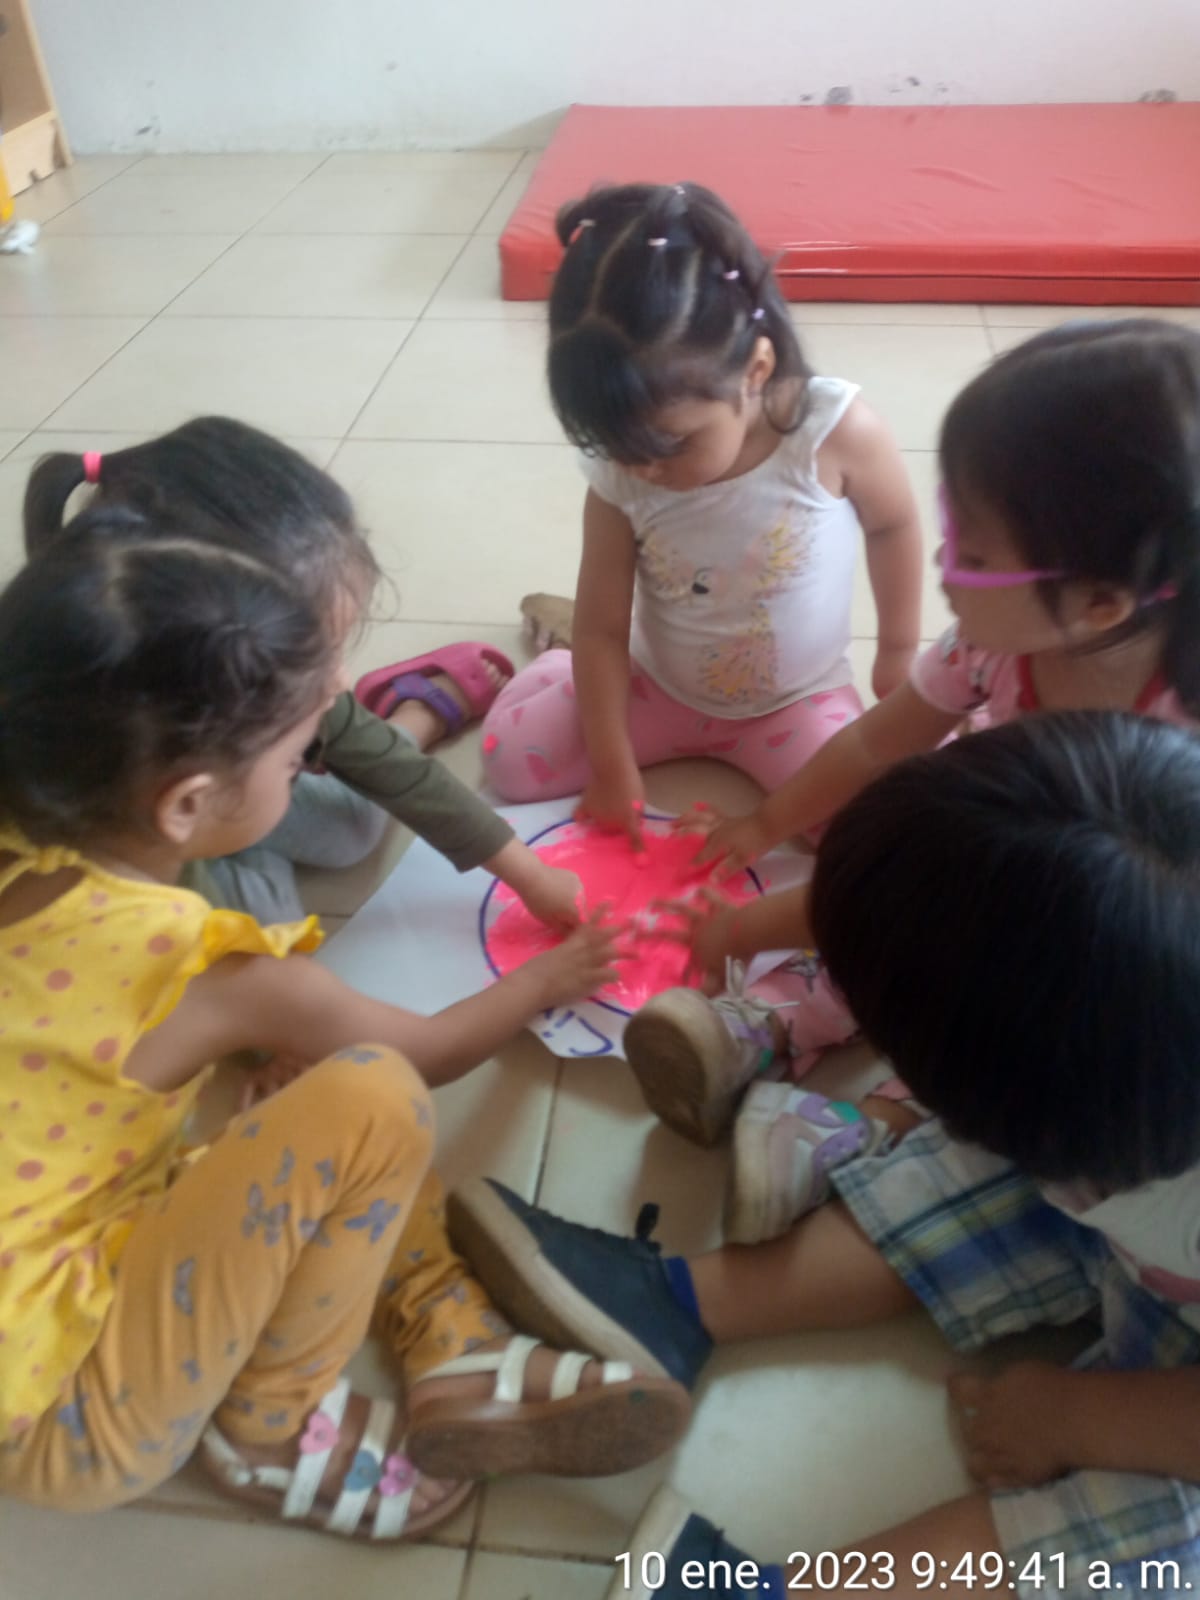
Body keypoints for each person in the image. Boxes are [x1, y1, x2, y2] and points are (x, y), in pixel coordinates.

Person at [0, 516, 689, 1539]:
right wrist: (552, 976)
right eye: (295, 760)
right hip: (72, 1416)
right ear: (188, 804)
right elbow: (427, 1055)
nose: (305, 771)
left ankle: (448, 1341)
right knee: (372, 1097)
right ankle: (270, 1426)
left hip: (36, 1291)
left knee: (292, 1106)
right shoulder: (211, 968)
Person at [449, 712, 1200, 1599]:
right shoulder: (1122, 1044)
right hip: (1138, 1203)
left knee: (1145, 1549)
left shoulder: (1108, 1065)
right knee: (978, 1177)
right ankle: (673, 1305)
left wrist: (1073, 1416)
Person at [625, 317, 1200, 1200]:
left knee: (976, 1027)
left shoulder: (1175, 745)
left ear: (1099, 604)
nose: (940, 561)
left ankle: (881, 1127)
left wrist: (737, 930)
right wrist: (766, 824)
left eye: (973, 552)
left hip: (1096, 965)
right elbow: (872, 741)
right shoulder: (992, 644)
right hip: (1001, 867)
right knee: (905, 912)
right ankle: (775, 1024)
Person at [480, 181, 923, 842]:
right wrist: (612, 765)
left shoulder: (834, 432)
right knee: (510, 763)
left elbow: (893, 526)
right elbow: (602, 629)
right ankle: (555, 664)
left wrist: (898, 651)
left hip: (796, 701)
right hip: (657, 686)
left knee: (864, 827)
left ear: (756, 370)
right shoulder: (622, 473)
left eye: (671, 444)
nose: (643, 469)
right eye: (616, 445)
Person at [24, 419, 581, 931]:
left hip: (218, 799)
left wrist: (531, 877)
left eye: (332, 650)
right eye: (321, 654)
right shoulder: (109, 847)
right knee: (265, 935)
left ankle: (413, 715)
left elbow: (392, 770)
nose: (340, 680)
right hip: (171, 835)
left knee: (352, 830)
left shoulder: (252, 668)